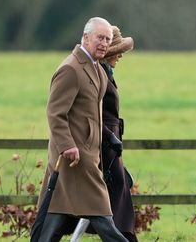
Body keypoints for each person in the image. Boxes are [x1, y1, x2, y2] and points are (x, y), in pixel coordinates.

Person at [35, 17, 128, 242]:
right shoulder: (70, 69)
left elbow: (91, 116)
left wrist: (107, 137)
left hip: (87, 156)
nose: (105, 43)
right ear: (85, 37)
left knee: (54, 215)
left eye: (107, 39)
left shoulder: (96, 68)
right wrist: (67, 145)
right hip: (75, 159)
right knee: (103, 216)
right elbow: (55, 113)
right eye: (100, 38)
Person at [99, 25, 138, 242]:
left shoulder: (107, 73)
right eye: (119, 51)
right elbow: (93, 114)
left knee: (120, 195)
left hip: (112, 146)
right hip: (106, 146)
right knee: (117, 196)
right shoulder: (100, 75)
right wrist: (109, 136)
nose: (121, 55)